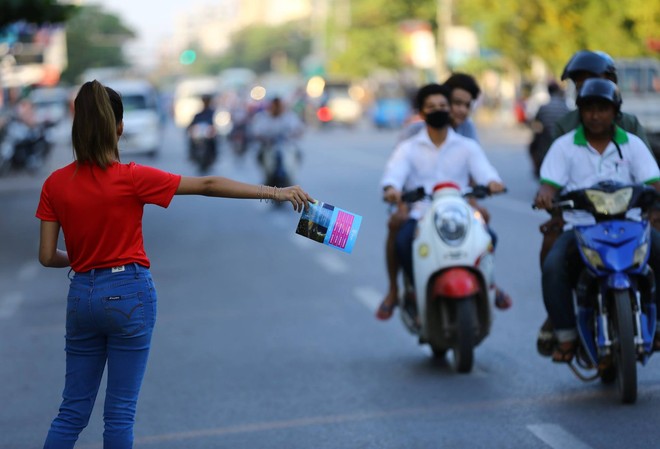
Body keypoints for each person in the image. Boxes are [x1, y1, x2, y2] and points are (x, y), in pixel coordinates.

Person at [36, 80, 312, 449]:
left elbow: (46, 256)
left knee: (71, 412)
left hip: (81, 295)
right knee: (118, 413)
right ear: (118, 127)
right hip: (128, 293)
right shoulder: (132, 177)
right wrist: (275, 191)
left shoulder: (55, 184)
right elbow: (208, 184)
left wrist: (87, 259)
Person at [536, 50, 655, 355]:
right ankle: (562, 327)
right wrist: (547, 198)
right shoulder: (565, 139)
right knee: (553, 266)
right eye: (588, 106)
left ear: (615, 109)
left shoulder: (632, 139)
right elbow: (550, 183)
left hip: (630, 222)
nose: (595, 114)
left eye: (603, 107)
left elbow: (652, 181)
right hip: (581, 225)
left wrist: (654, 206)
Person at [376, 83, 510, 321]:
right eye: (431, 106)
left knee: (490, 237)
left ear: (450, 109)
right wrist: (391, 189)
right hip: (421, 214)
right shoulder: (408, 147)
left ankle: (488, 284)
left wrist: (493, 183)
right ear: (421, 111)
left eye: (442, 106)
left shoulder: (467, 146)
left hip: (459, 213)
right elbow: (393, 174)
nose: (437, 110)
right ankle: (414, 293)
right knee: (404, 241)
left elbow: (485, 172)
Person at [528, 81, 570, 178]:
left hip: (546, 140)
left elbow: (536, 124)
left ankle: (536, 169)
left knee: (532, 147)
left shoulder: (544, 107)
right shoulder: (565, 106)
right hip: (562, 136)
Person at [186, 94, 216, 161]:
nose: (206, 102)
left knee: (213, 141)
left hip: (208, 133)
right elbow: (192, 123)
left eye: (207, 101)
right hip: (199, 133)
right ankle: (192, 154)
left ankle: (213, 155)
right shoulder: (199, 114)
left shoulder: (212, 113)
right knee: (191, 140)